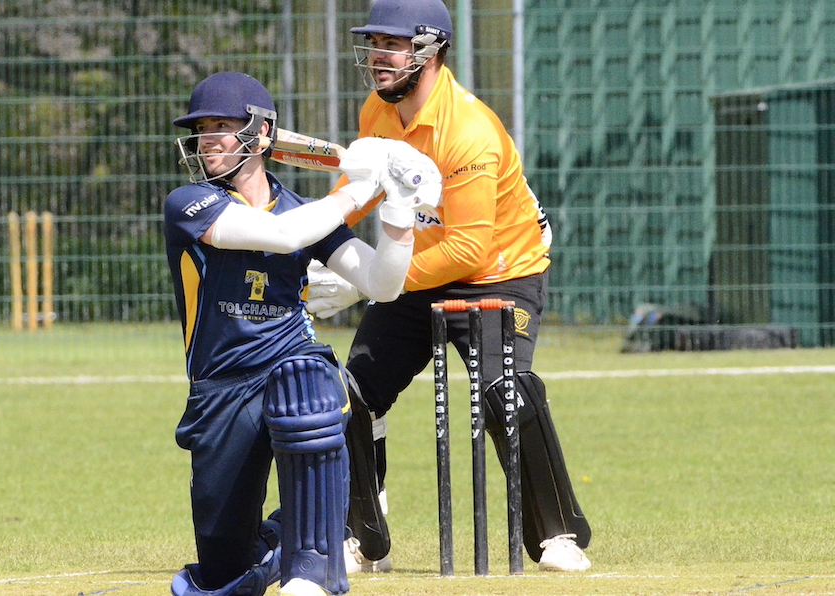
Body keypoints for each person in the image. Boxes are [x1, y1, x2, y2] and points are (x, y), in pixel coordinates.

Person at [306, 0, 593, 574]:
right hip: (419, 266)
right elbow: (354, 195)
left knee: (503, 391)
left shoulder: (469, 129)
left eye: (392, 44)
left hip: (501, 273)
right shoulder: (378, 111)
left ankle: (558, 533)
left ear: (430, 49)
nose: (377, 57)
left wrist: (368, 281)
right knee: (350, 390)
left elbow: (469, 248)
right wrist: (322, 253)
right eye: (374, 43)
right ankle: (363, 535)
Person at [163, 71, 441, 596]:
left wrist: (399, 207)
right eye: (202, 128)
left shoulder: (303, 211)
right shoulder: (189, 204)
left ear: (261, 133)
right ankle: (278, 544)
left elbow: (382, 284)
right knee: (227, 567)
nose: (208, 139)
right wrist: (361, 186)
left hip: (290, 361)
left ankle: (314, 566)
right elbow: (282, 235)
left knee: (307, 390)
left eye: (222, 125)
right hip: (221, 388)